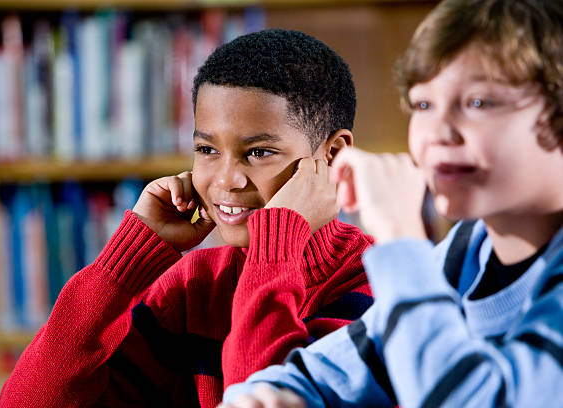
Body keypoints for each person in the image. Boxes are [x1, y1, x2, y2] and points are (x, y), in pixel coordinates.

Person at [0, 29, 375, 408]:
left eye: (259, 152)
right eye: (207, 149)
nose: (226, 179)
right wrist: (123, 266)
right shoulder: (193, 286)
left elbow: (262, 399)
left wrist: (276, 243)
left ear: (333, 156)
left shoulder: (380, 292)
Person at [220, 1, 563, 407]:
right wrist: (267, 398)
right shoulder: (460, 258)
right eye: (423, 105)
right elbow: (325, 374)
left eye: (478, 103)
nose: (437, 132)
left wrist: (401, 237)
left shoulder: (417, 265)